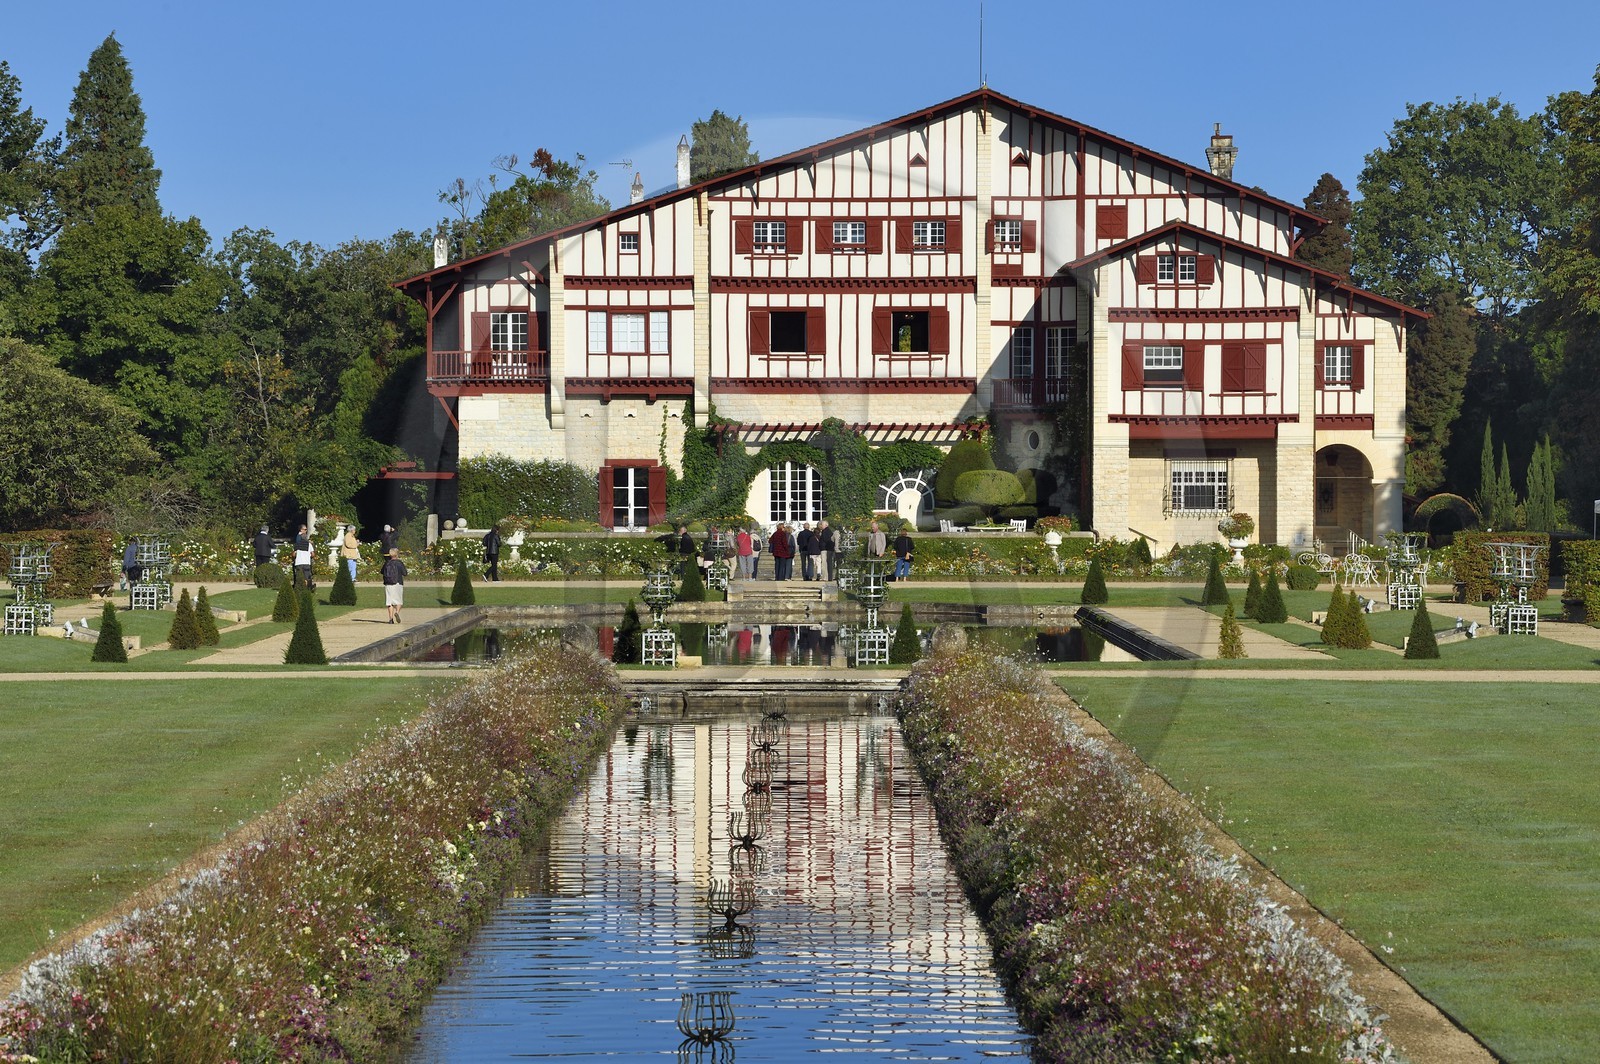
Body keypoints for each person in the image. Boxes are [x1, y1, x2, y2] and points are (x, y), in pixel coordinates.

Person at [380, 547, 407, 624]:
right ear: (397, 554)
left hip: (388, 583)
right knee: (398, 601)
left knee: (389, 602)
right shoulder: (399, 563)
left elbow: (382, 571)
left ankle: (390, 619)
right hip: (398, 582)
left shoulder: (387, 563)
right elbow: (405, 573)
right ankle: (397, 612)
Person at [293, 523, 313, 589]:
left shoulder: (298, 543)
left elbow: (294, 553)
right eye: (305, 529)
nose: (306, 531)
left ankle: (299, 587)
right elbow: (312, 554)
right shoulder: (300, 539)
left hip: (299, 562)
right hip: (306, 562)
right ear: (301, 530)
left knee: (299, 576)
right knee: (307, 576)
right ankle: (308, 588)